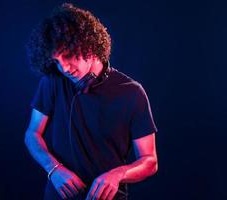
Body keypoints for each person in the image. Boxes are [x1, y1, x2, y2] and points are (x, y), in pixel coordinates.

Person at [25, 3, 158, 200]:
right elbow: (32, 134)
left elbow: (150, 161)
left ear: (89, 45)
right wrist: (54, 169)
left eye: (68, 56)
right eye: (56, 61)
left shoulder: (132, 93)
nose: (64, 68)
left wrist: (117, 174)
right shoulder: (53, 81)